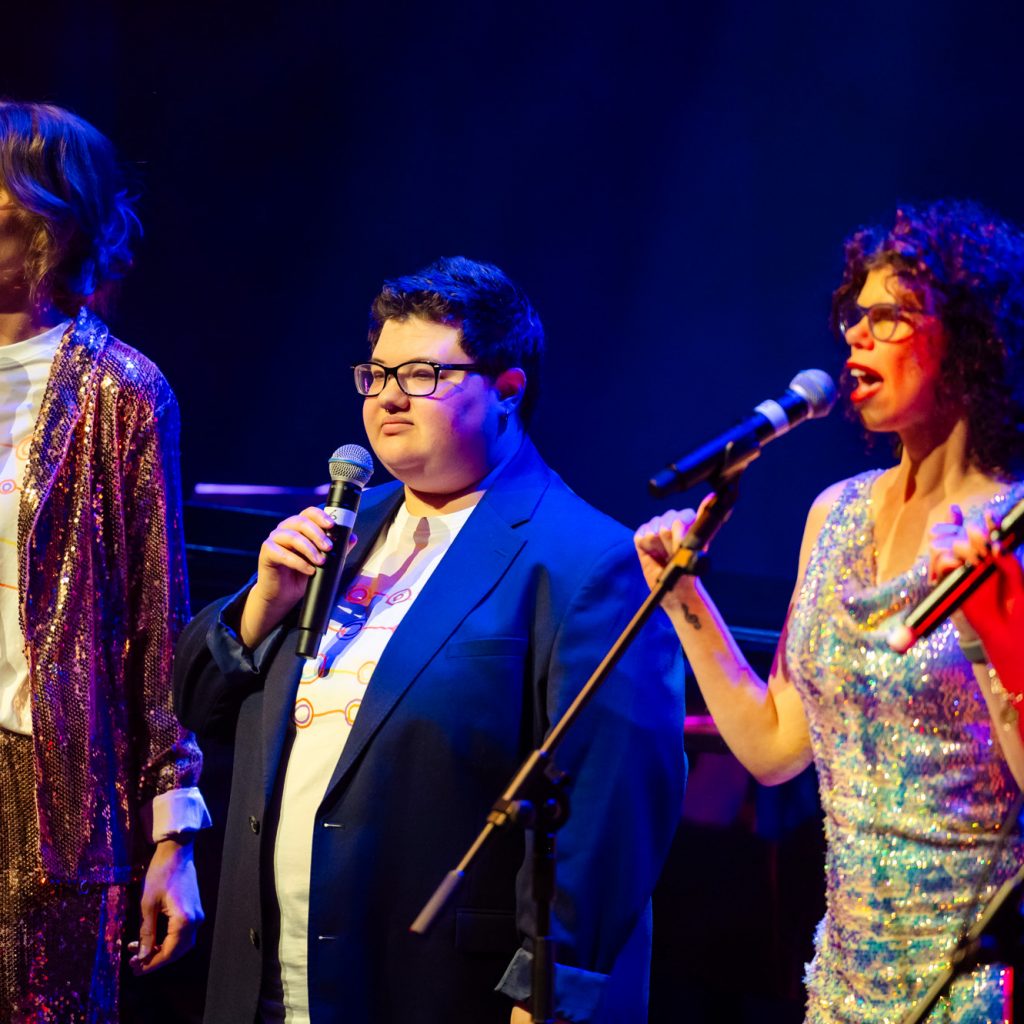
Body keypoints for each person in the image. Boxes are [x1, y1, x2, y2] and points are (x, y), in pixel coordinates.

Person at [174, 256, 687, 1024]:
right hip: (263, 983)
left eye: (420, 375)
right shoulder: (345, 524)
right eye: (376, 374)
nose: (386, 397)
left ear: (507, 391)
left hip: (428, 990)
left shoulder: (586, 562)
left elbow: (607, 821)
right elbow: (195, 705)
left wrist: (543, 1000)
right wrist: (259, 611)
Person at [635, 200, 1024, 1023]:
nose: (856, 335)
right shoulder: (835, 515)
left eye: (890, 317)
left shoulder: (1014, 532)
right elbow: (775, 747)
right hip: (841, 988)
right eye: (855, 313)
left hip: (978, 988)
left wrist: (999, 622)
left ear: (972, 338)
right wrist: (683, 597)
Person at [0, 101, 209, 1022]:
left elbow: (155, 624)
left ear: (49, 215)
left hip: (44, 792)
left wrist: (173, 830)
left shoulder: (119, 390)